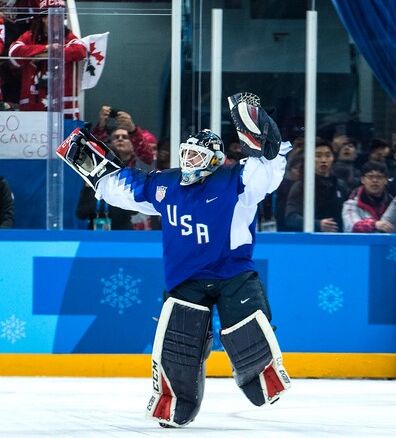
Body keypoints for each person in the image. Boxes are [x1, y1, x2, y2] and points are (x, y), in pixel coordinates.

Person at [58, 92, 291, 428]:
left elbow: (266, 173)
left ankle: (260, 378)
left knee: (248, 329)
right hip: (185, 279)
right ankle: (178, 402)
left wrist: (266, 145)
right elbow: (123, 189)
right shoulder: (165, 184)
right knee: (178, 347)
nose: (189, 161)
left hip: (233, 272)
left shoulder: (236, 179)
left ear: (213, 160)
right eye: (186, 154)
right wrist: (98, 173)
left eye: (197, 155)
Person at [0, 0, 70, 105]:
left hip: (30, 25)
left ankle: (28, 99)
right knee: (5, 63)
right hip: (5, 28)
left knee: (30, 62)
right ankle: (6, 101)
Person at [8, 0, 87, 118]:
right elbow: (13, 53)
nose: (59, 19)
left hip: (64, 106)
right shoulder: (30, 36)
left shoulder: (68, 37)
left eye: (61, 16)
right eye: (55, 15)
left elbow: (80, 50)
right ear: (44, 18)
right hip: (33, 104)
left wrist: (45, 55)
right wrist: (46, 48)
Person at [284, 138, 350, 232]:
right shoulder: (301, 186)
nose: (323, 160)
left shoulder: (341, 185)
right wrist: (317, 224)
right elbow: (291, 218)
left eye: (328, 155)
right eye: (318, 156)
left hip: (339, 241)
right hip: (311, 242)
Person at [90, 106, 156, 167]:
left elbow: (148, 157)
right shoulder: (104, 160)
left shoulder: (140, 163)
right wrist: (101, 126)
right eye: (116, 137)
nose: (120, 139)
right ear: (111, 143)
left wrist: (132, 129)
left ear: (133, 144)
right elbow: (92, 150)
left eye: (125, 137)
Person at [342, 161, 394, 233]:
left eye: (379, 177)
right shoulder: (351, 204)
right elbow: (351, 226)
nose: (375, 180)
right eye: (370, 177)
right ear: (363, 180)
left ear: (385, 180)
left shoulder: (391, 203)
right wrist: (373, 224)